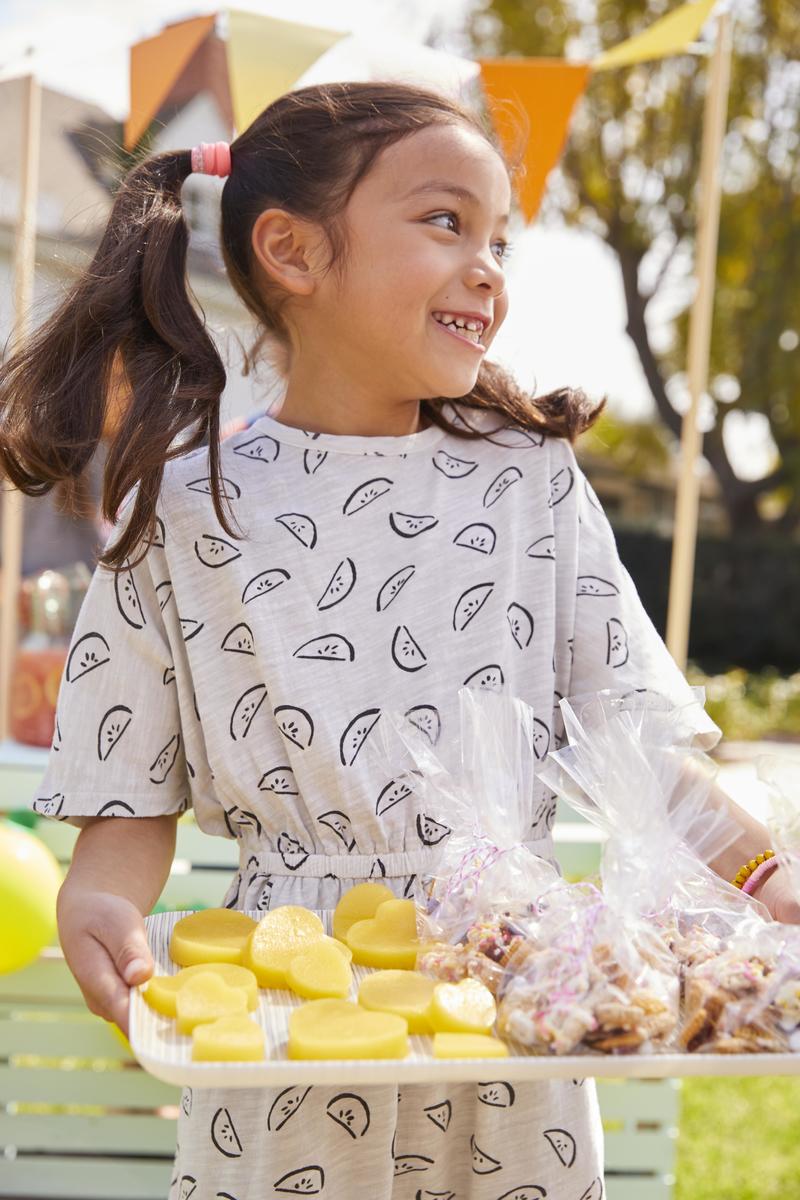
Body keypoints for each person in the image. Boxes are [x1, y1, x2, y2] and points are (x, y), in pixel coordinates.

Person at [0, 81, 795, 1200]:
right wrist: (98, 901)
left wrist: (766, 877)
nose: (488, 269)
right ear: (291, 250)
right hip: (288, 1007)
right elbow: (129, 791)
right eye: (444, 222)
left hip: (508, 997)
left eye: (499, 241)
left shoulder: (530, 482)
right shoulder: (182, 508)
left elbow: (633, 751)